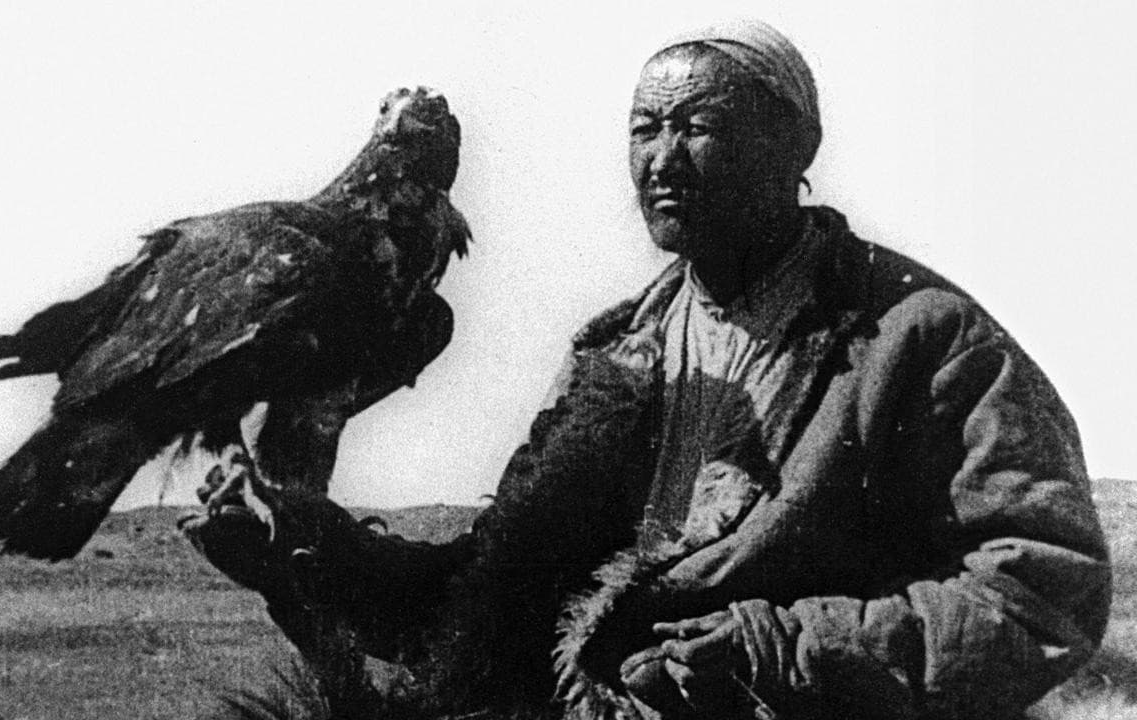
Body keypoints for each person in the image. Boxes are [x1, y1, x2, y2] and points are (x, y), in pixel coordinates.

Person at [184, 19, 1111, 720]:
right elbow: (501, 601)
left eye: (698, 126)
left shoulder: (922, 339)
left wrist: (779, 647)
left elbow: (1042, 592)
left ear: (797, 148)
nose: (663, 160)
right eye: (644, 129)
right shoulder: (616, 351)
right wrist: (312, 553)